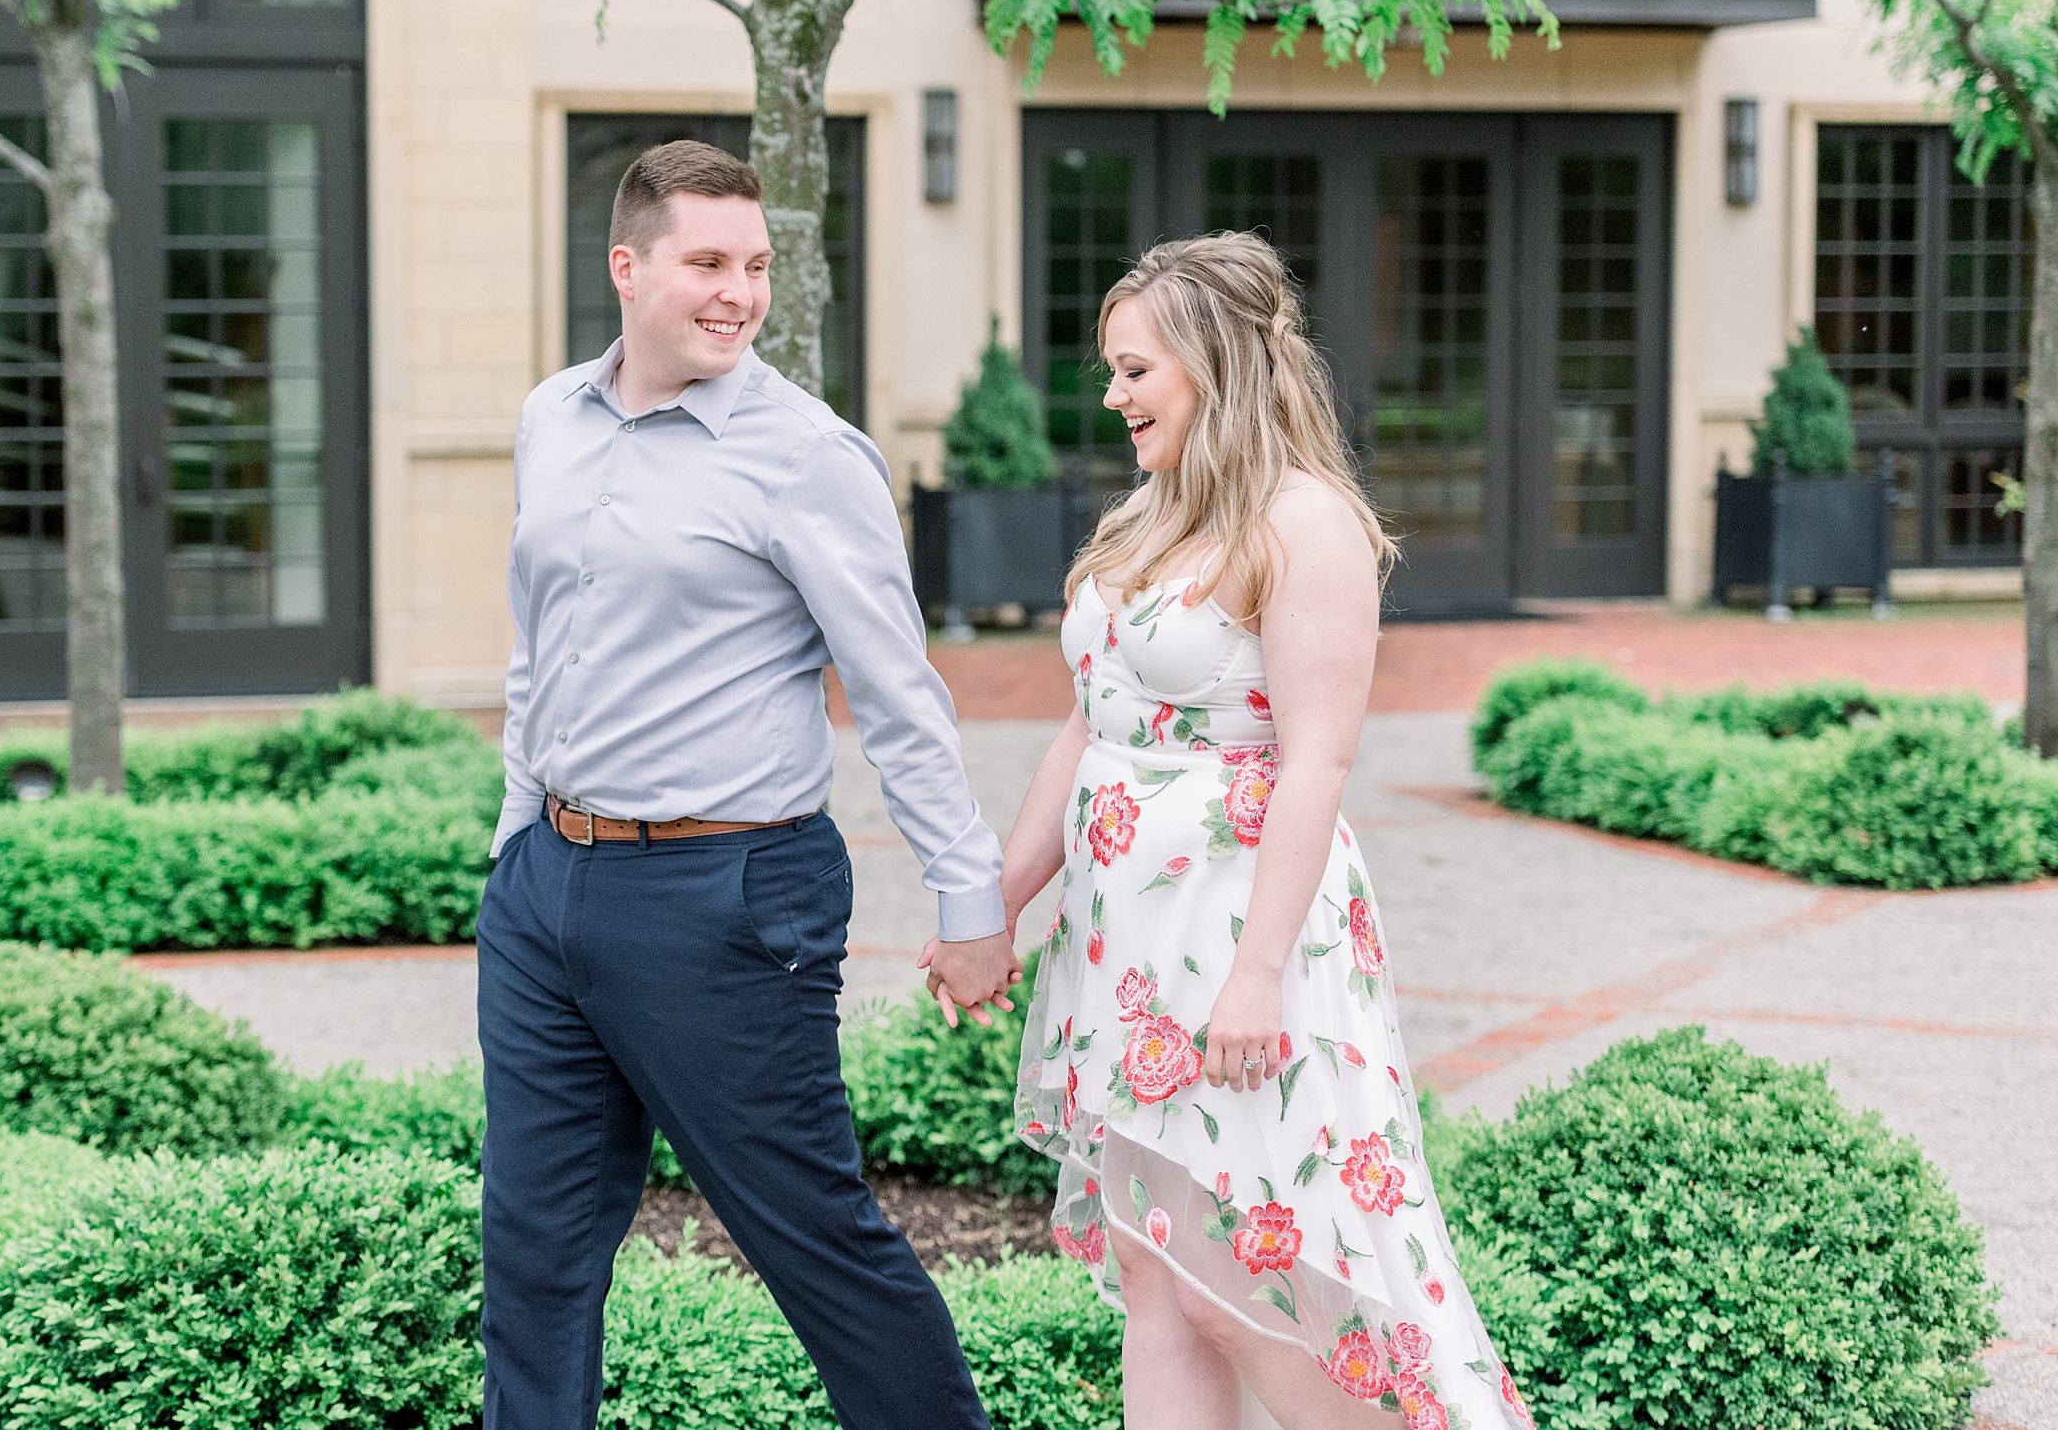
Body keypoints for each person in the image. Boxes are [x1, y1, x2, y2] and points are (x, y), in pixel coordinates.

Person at [478, 139, 1020, 1430]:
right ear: (627, 264)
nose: (738, 291)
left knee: (809, 1235)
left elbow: (896, 690)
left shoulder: (804, 454)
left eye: (757, 265)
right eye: (707, 261)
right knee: (535, 1246)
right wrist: (515, 845)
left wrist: (970, 898)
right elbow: (534, 645)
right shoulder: (551, 417)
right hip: (547, 885)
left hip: (725, 892)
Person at [1002, 234, 1536, 1429]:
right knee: (1158, 1269)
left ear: (1213, 362)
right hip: (1126, 961)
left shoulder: (1306, 523)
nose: (1113, 395)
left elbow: (1319, 761)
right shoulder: (1149, 515)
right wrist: (996, 905)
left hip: (1248, 948)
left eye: (1136, 370)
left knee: (1258, 1280)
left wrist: (1254, 974)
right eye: (1111, 370)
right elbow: (1086, 732)